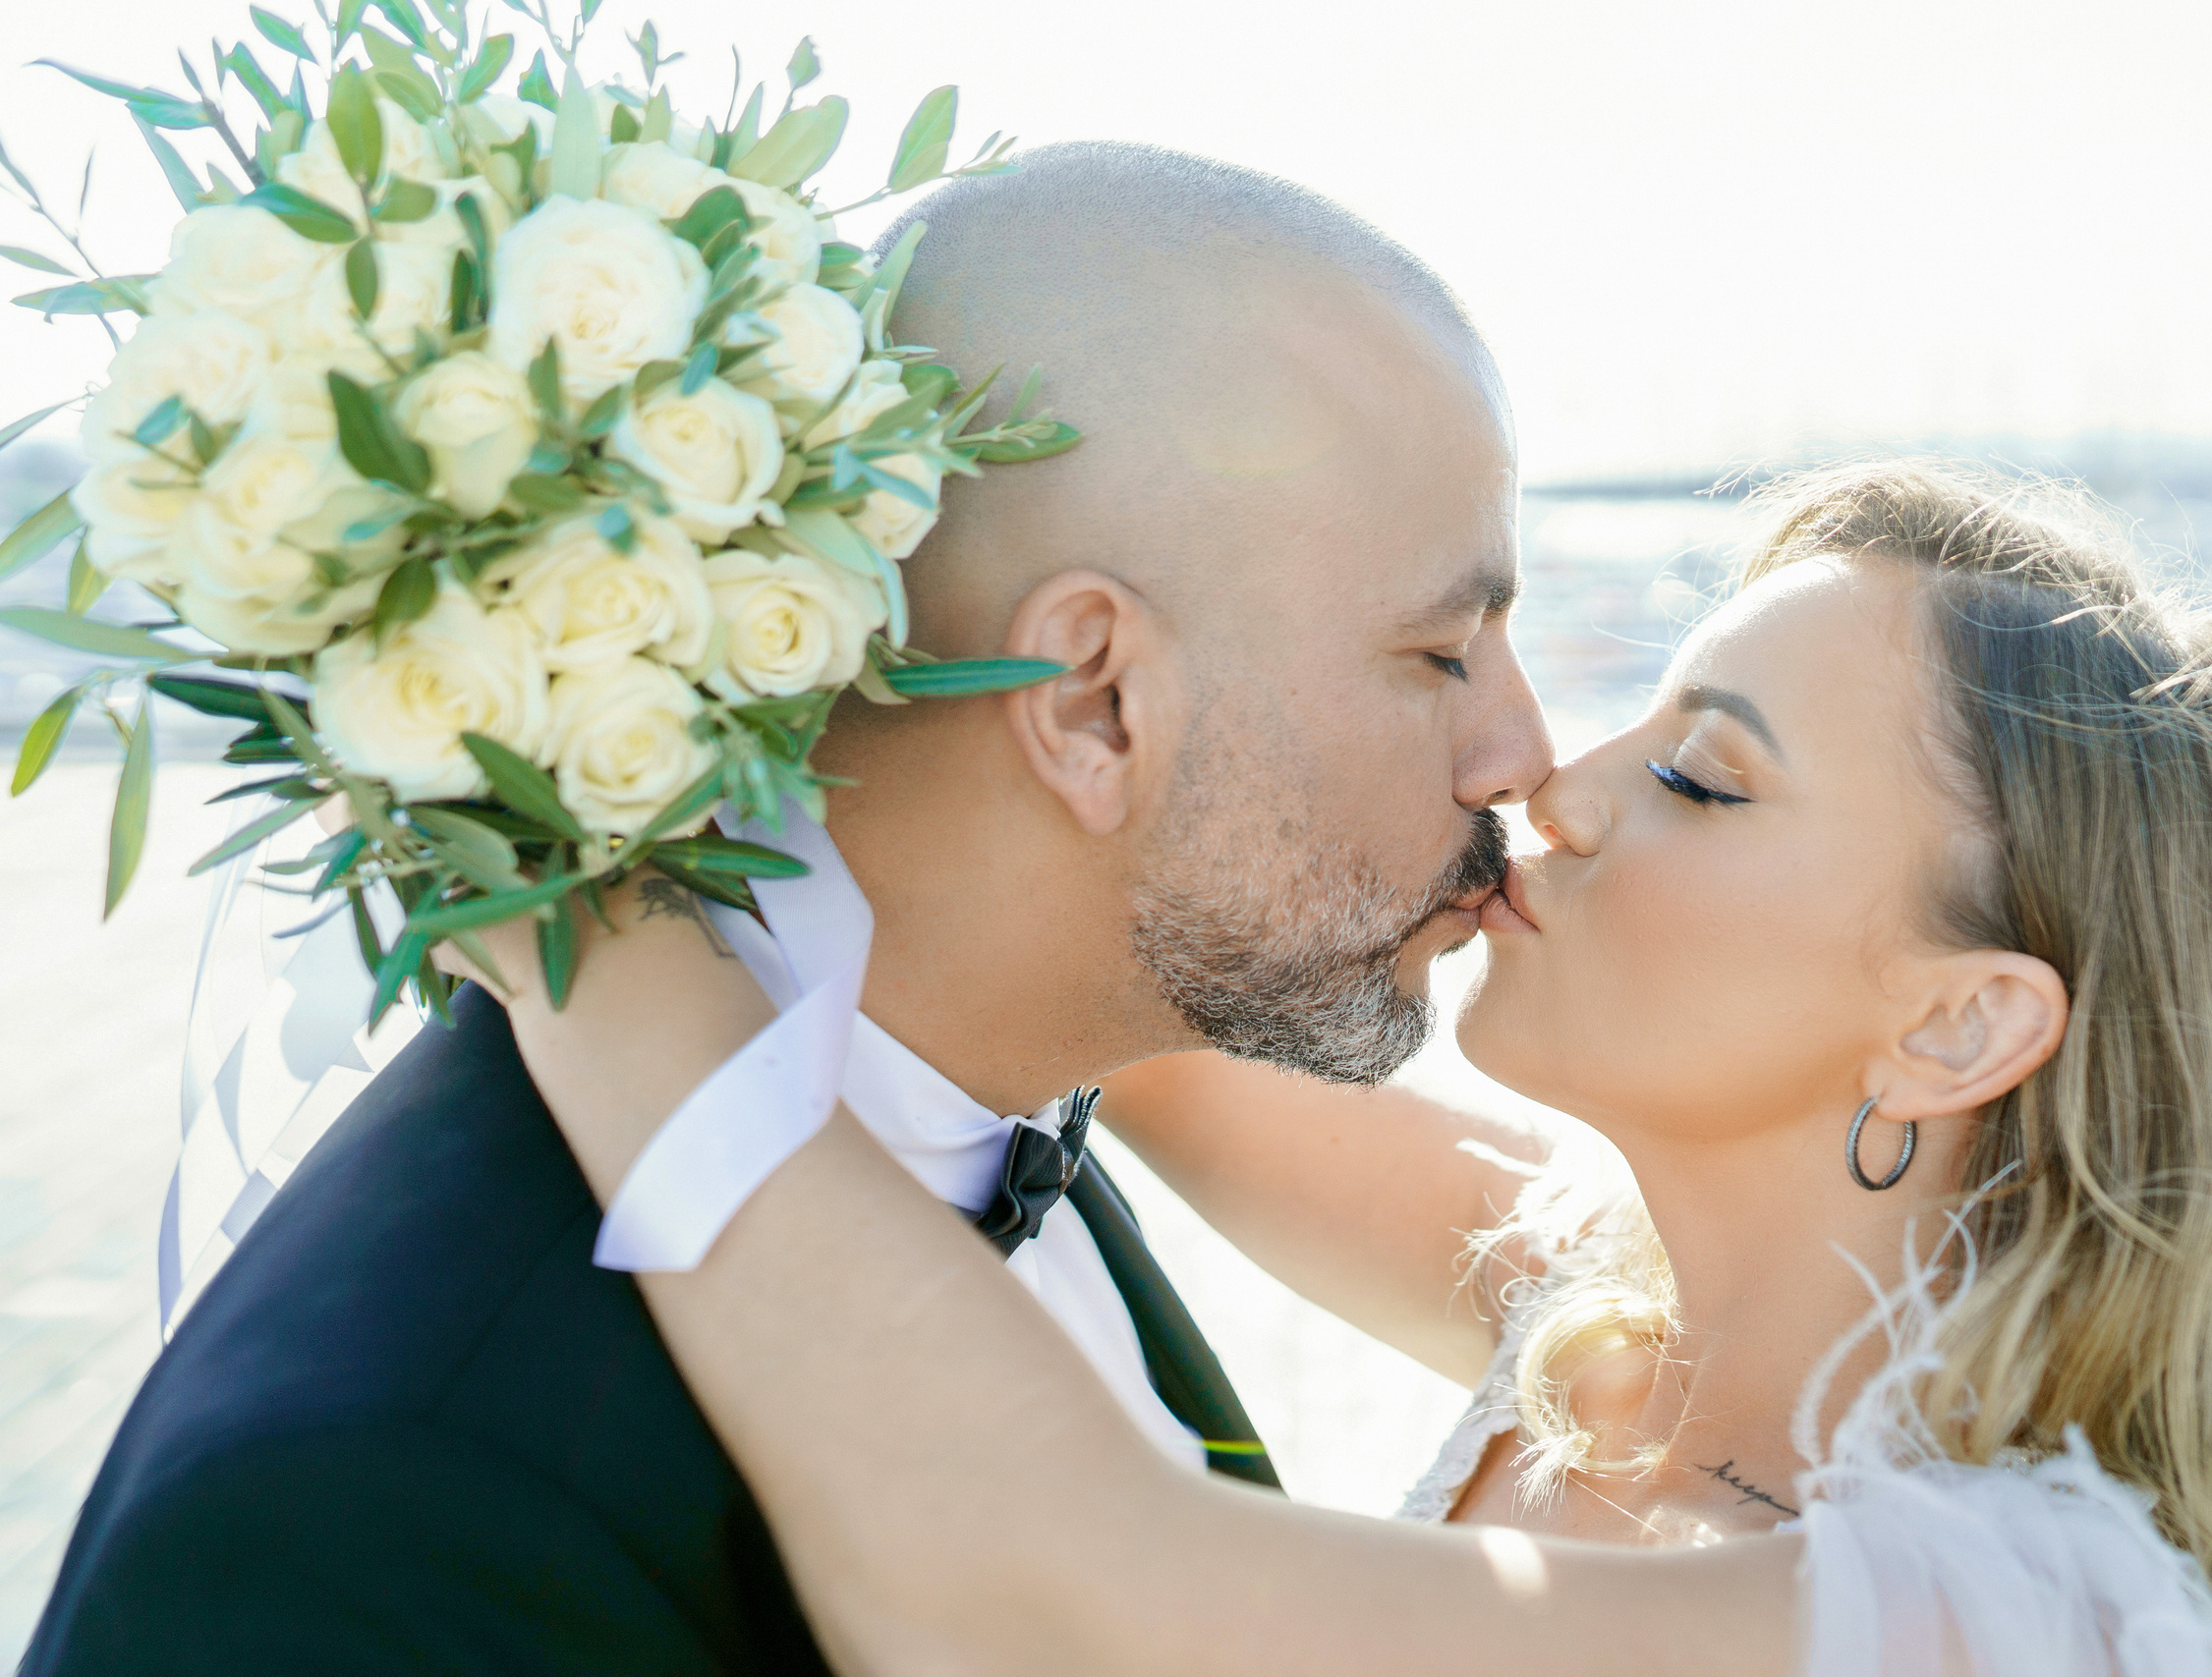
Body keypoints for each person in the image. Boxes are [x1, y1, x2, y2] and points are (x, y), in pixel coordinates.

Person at [489, 462, 2212, 1677]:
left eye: (1702, 773)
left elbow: (1039, 1599)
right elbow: (1127, 996)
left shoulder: (2009, 1622)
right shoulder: (1602, 1331)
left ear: (1957, 1021)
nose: (1559, 784)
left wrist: (535, 869)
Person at [22, 143, 1551, 1673]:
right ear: (1092, 701)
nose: (1528, 756)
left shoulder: (994, 1091)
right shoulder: (390, 1500)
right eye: (1443, 651)